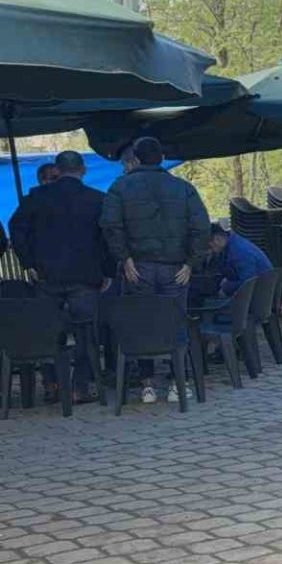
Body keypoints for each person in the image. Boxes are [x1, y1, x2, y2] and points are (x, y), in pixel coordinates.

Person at [99, 137, 211, 405]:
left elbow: (110, 226)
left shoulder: (120, 187)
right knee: (176, 322)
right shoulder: (183, 188)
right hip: (176, 269)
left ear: (136, 159)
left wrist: (125, 258)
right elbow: (201, 227)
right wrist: (190, 262)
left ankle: (147, 385)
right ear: (162, 158)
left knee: (141, 323)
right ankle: (177, 383)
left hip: (137, 268)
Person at [9, 150, 112, 403]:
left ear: (57, 169)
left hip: (46, 275)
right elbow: (108, 237)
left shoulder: (37, 197)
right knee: (85, 332)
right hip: (86, 276)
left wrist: (28, 262)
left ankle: (53, 384)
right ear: (83, 170)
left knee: (47, 331)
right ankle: (79, 387)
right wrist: (106, 270)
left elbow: (16, 228)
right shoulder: (97, 199)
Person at [207, 223, 272, 297]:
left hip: (260, 293)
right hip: (259, 288)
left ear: (217, 239)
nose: (209, 249)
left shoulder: (239, 251)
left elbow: (247, 281)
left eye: (209, 246)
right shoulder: (233, 243)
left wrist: (226, 288)